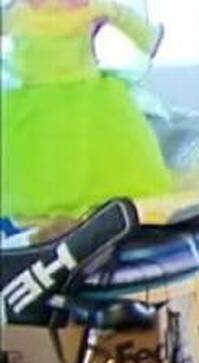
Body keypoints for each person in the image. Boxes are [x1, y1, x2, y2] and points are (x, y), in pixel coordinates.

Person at [1, 0, 171, 222]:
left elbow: (132, 25)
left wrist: (148, 37)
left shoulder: (18, 15)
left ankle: (75, 210)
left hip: (56, 99)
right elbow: (135, 26)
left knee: (63, 156)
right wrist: (149, 38)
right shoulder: (20, 14)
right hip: (70, 96)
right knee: (68, 155)